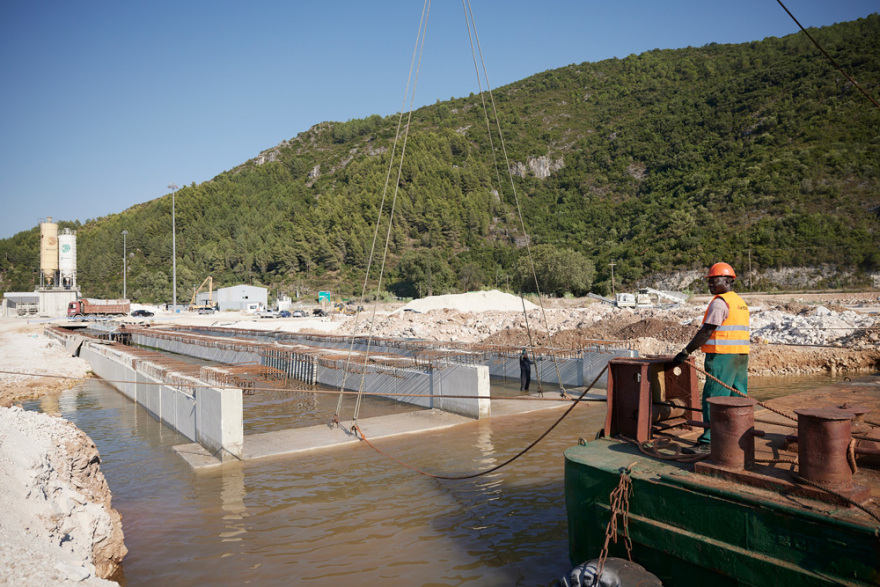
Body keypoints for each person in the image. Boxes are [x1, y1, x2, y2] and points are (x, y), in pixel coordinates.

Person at [673, 262, 749, 455]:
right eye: (710, 281)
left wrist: (686, 351)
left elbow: (706, 330)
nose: (710, 284)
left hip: (721, 356)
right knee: (737, 396)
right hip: (740, 356)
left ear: (728, 280)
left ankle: (708, 442)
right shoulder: (739, 302)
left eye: (714, 280)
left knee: (713, 398)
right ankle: (737, 437)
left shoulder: (719, 302)